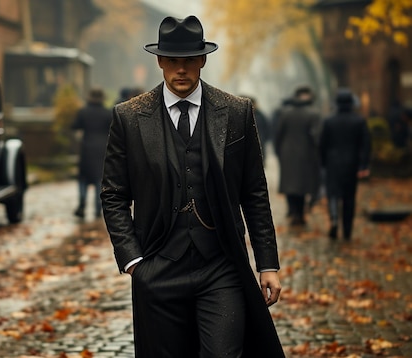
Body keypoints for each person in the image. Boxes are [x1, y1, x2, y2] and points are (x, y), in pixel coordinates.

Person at [100, 15, 284, 357]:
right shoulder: (129, 117)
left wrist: (267, 264)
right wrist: (134, 263)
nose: (180, 70)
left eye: (188, 61)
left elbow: (254, 192)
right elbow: (113, 195)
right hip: (158, 266)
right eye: (172, 61)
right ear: (159, 61)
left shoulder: (235, 111)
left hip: (221, 266)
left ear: (202, 59)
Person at [319, 88, 371, 240]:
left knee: (333, 194)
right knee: (349, 198)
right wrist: (363, 165)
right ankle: (347, 230)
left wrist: (323, 163)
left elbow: (322, 144)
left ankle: (334, 219)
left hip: (332, 163)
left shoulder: (329, 121)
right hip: (351, 164)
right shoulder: (359, 121)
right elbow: (365, 145)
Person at [274, 85, 321, 226]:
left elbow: (278, 134)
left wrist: (279, 152)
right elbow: (316, 137)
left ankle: (293, 211)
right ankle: (299, 214)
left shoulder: (285, 113)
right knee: (301, 185)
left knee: (290, 184)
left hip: (287, 153)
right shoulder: (313, 114)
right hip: (305, 154)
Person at [72, 87, 112, 219]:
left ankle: (82, 206)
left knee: (83, 179)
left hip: (86, 147)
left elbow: (75, 126)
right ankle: (97, 208)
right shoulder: (108, 113)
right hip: (102, 149)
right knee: (98, 179)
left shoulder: (83, 112)